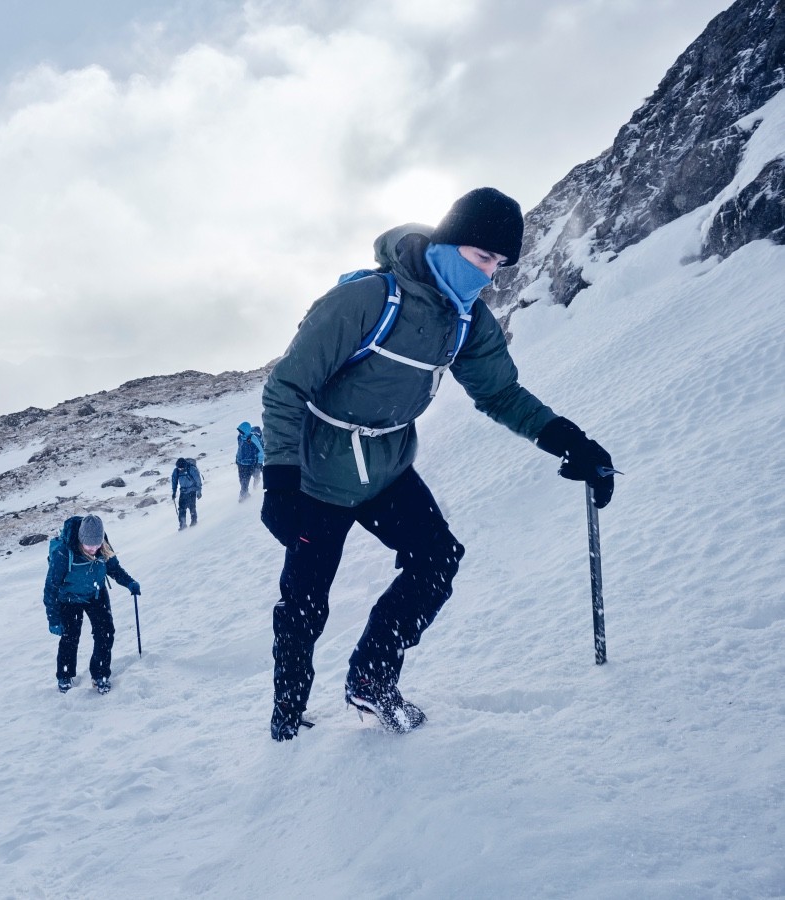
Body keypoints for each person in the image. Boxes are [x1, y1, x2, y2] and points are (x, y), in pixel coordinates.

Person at [260, 187, 616, 741]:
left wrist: (569, 440)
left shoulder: (467, 321)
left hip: (388, 466)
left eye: (499, 265)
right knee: (305, 606)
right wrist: (279, 481)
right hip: (317, 474)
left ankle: (372, 679)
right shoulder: (368, 301)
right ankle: (287, 721)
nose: (490, 276)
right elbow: (287, 387)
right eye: (482, 258)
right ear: (450, 243)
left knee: (437, 557)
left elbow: (501, 395)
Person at [42, 513, 141, 694]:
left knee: (105, 633)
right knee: (70, 637)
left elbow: (114, 569)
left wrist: (129, 583)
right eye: (89, 545)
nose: (93, 549)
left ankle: (100, 675)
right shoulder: (63, 553)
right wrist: (54, 619)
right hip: (69, 599)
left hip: (96, 594)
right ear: (80, 540)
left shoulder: (102, 545)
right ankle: (65, 675)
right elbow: (51, 588)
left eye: (97, 545)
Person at [235, 421, 264, 501]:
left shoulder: (253, 439)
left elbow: (261, 452)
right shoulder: (240, 437)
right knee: (241, 479)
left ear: (246, 430)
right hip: (240, 462)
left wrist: (259, 463)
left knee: (250, 476)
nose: (240, 433)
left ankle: (243, 495)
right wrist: (237, 458)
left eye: (241, 431)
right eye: (239, 431)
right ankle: (245, 493)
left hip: (250, 463)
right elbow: (239, 448)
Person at [172, 457, 203, 529]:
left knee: (192, 507)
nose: (180, 469)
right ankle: (182, 524)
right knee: (181, 509)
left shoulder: (192, 469)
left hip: (192, 490)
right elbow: (174, 482)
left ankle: (194, 521)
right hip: (183, 491)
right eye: (179, 468)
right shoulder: (176, 471)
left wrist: (199, 491)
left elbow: (198, 481)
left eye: (181, 468)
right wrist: (174, 492)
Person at [250, 425, 265, 489]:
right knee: (258, 472)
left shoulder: (250, 437)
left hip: (251, 459)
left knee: (255, 472)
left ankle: (255, 485)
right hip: (259, 459)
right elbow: (262, 449)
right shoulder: (259, 438)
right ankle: (256, 485)